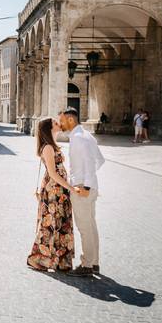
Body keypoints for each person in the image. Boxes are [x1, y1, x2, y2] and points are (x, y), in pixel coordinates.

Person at [58, 107, 106, 277]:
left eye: (62, 120)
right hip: (90, 186)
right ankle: (94, 262)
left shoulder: (78, 138)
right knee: (91, 226)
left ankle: (87, 265)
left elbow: (88, 162)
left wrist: (85, 186)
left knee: (85, 227)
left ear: (70, 120)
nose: (60, 124)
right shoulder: (87, 136)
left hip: (82, 187)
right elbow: (99, 160)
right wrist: (91, 184)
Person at [27, 117, 76, 272]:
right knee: (49, 225)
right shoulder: (48, 147)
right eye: (55, 123)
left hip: (59, 191)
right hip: (53, 191)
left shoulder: (53, 145)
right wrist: (70, 187)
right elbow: (53, 174)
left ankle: (60, 261)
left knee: (60, 223)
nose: (58, 123)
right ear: (49, 128)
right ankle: (37, 259)